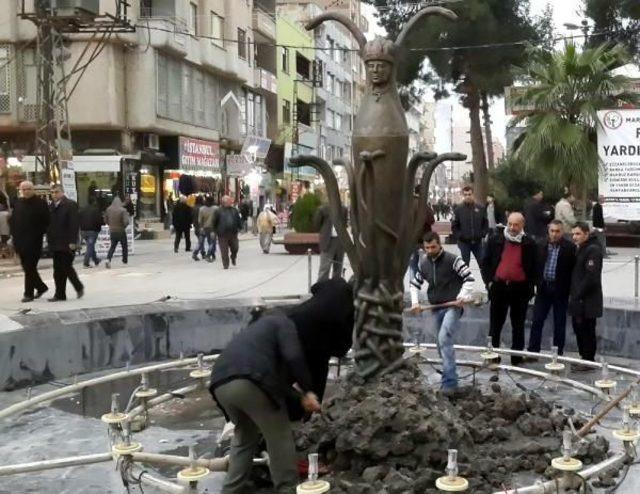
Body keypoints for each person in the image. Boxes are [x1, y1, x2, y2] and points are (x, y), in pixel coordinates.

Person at [209, 278, 354, 494]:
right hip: (250, 382)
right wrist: (309, 391)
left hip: (220, 383)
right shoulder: (283, 323)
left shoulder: (255, 336)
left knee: (244, 438)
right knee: (280, 437)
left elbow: (276, 382)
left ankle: (230, 490)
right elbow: (294, 358)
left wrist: (301, 397)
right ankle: (287, 488)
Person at [410, 232, 475, 391]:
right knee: (441, 344)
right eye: (427, 248)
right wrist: (415, 303)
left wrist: (461, 296)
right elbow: (414, 284)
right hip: (436, 308)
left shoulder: (453, 260)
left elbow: (469, 278)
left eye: (433, 247)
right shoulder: (423, 264)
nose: (430, 250)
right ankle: (448, 372)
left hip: (453, 306)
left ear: (440, 245)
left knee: (444, 338)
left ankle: (449, 384)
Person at [481, 212, 537, 365]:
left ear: (522, 225)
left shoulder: (529, 243)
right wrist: (489, 282)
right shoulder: (495, 240)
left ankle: (516, 358)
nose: (512, 228)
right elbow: (485, 262)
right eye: (510, 224)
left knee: (518, 325)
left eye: (516, 225)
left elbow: (535, 267)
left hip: (520, 289)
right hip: (499, 286)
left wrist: (531, 286)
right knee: (495, 325)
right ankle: (493, 356)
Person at [526, 220, 576, 357]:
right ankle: (533, 351)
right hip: (543, 288)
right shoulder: (541, 245)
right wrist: (537, 282)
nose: (554, 234)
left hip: (560, 289)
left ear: (562, 232)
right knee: (537, 320)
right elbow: (535, 266)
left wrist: (570, 289)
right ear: (548, 231)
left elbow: (572, 269)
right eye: (552, 231)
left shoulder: (570, 248)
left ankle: (557, 353)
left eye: (557, 231)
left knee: (559, 322)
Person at [9, 181, 50, 302]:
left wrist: (38, 234)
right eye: (23, 189)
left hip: (34, 242)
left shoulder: (41, 203)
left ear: (33, 189)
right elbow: (13, 221)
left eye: (28, 189)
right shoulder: (18, 203)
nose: (26, 191)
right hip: (19, 241)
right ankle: (41, 287)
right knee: (27, 267)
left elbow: (46, 222)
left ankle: (28, 294)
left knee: (29, 267)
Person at [569, 222, 603, 365]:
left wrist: (578, 294)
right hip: (579, 300)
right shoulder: (580, 249)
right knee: (579, 330)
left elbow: (591, 277)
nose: (574, 237)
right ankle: (584, 357)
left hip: (587, 300)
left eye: (578, 234)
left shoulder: (592, 250)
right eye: (573, 234)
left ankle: (588, 360)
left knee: (587, 331)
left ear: (586, 234)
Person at [47, 185, 84, 302]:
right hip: (55, 242)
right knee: (57, 271)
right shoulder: (51, 206)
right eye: (52, 192)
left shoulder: (70, 204)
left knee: (66, 267)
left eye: (56, 192)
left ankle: (78, 287)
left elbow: (74, 224)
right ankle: (60, 294)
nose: (54, 194)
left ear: (62, 192)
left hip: (66, 242)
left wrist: (73, 241)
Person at [451, 185, 488, 267]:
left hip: (477, 242)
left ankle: (487, 279)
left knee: (483, 264)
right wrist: (460, 236)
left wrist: (483, 233)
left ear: (473, 195)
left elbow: (485, 222)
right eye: (465, 195)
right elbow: (454, 226)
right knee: (465, 265)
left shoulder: (480, 208)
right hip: (464, 243)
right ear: (463, 196)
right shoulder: (458, 209)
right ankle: (465, 279)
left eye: (469, 194)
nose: (468, 196)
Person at [315, 203, 348, 281]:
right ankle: (322, 288)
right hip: (327, 241)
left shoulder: (343, 209)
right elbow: (317, 224)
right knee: (325, 268)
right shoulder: (323, 209)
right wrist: (324, 233)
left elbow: (345, 223)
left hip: (339, 241)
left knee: (338, 268)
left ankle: (335, 288)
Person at [213, 195, 242, 269]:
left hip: (233, 233)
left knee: (235, 247)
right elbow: (214, 222)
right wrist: (214, 231)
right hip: (222, 234)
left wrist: (240, 227)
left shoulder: (234, 210)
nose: (231, 202)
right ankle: (225, 264)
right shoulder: (218, 211)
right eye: (229, 200)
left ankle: (233, 256)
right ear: (224, 202)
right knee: (224, 251)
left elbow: (238, 219)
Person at [104, 196, 130, 269]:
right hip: (121, 231)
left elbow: (105, 220)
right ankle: (125, 260)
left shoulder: (108, 209)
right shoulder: (123, 210)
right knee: (124, 246)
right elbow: (126, 222)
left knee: (112, 246)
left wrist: (110, 225)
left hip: (112, 231)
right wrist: (124, 226)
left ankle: (108, 259)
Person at [78, 198, 103, 268]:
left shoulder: (82, 210)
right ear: (94, 201)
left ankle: (96, 260)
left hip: (83, 231)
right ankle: (86, 263)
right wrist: (100, 226)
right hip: (92, 231)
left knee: (90, 246)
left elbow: (78, 218)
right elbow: (99, 220)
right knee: (90, 246)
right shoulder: (96, 210)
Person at [193, 196, 217, 262]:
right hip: (212, 228)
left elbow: (199, 220)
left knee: (200, 242)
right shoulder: (215, 208)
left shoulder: (202, 209)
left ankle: (195, 253)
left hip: (203, 228)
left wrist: (200, 227)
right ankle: (209, 255)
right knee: (212, 242)